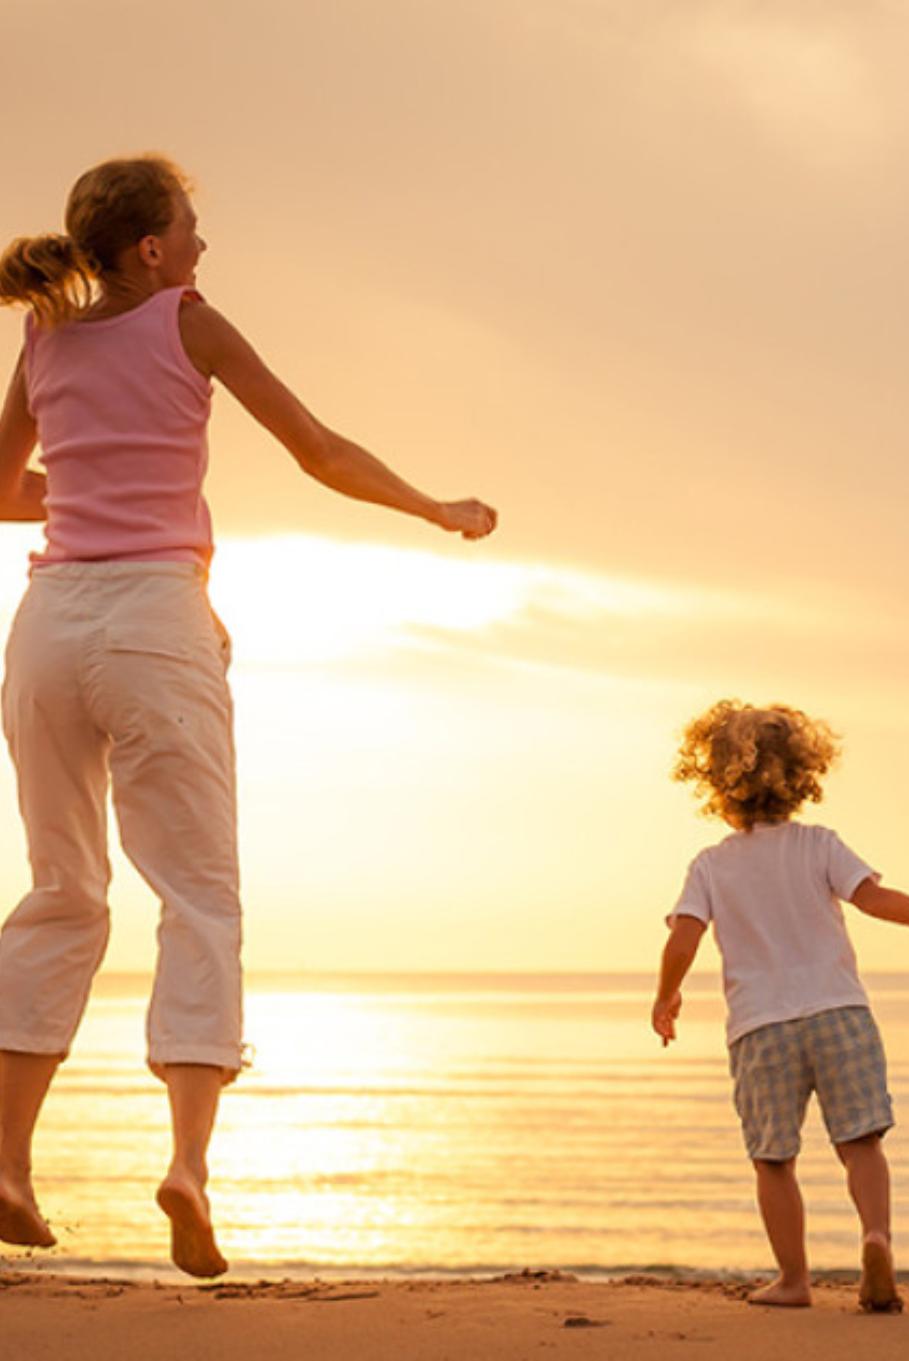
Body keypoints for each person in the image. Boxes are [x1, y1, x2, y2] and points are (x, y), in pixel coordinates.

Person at [0, 155, 496, 1278]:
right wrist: (435, 507)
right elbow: (319, 451)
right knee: (199, 896)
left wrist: (88, 493)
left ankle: (9, 1162)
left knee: (62, 889)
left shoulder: (43, 334)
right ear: (152, 249)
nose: (202, 245)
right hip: (153, 621)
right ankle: (187, 1165)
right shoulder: (191, 320)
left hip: (45, 629)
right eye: (191, 228)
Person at [653, 699, 909, 1312]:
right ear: (801, 775)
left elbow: (684, 938)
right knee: (861, 1143)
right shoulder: (819, 845)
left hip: (762, 1029)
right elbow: (876, 900)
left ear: (717, 781)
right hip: (840, 1013)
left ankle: (794, 1280)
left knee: (773, 1159)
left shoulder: (710, 866)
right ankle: (876, 1238)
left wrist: (667, 996)